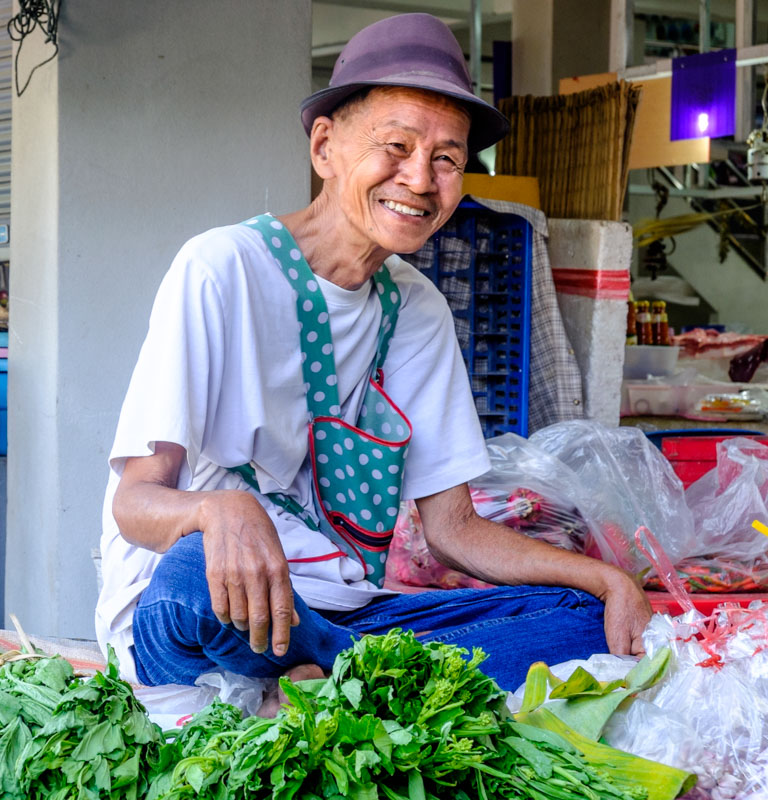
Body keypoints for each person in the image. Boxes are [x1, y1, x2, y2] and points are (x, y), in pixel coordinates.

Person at [94, 13, 650, 694]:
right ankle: (354, 682)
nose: (420, 179)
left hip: (344, 617)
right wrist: (215, 512)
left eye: (447, 158)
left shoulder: (416, 308)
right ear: (325, 147)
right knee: (187, 585)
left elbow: (455, 530)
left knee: (578, 618)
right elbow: (134, 505)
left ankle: (325, 683)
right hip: (213, 611)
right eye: (396, 145)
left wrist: (604, 578)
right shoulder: (221, 270)